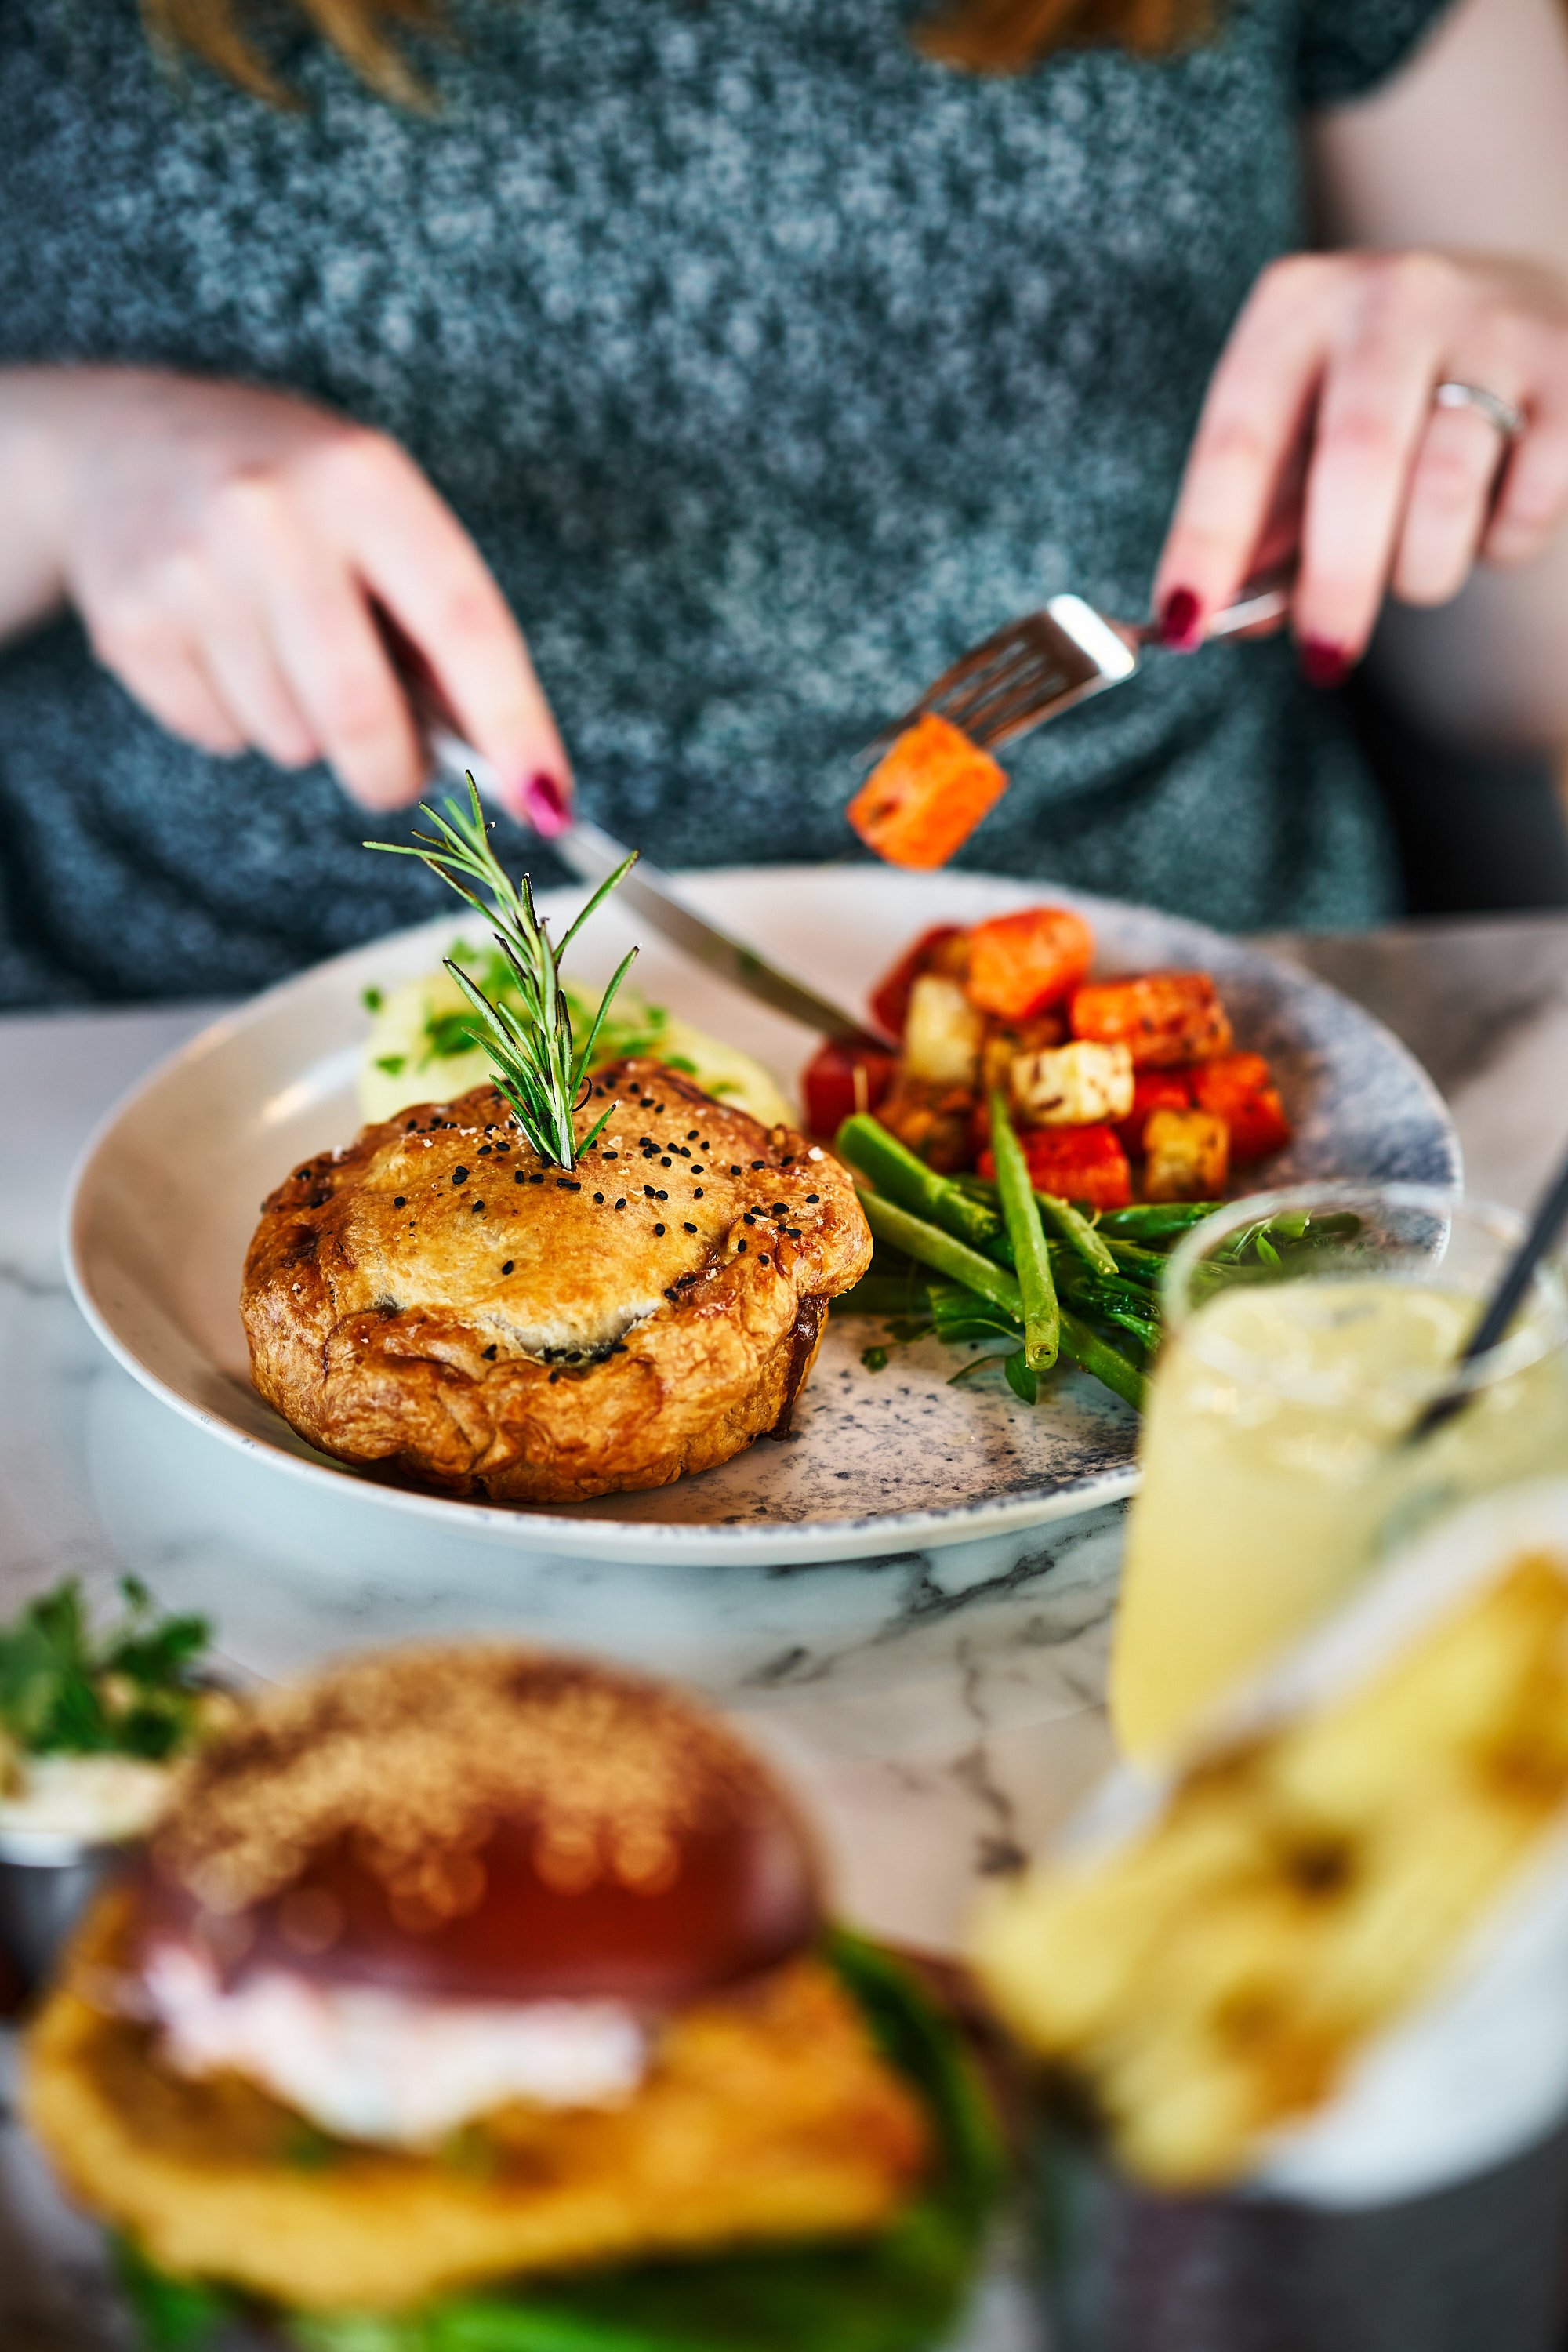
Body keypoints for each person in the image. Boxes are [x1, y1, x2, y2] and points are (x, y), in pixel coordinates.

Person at [2, 0, 1567, 1004]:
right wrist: (72, 469)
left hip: (1208, 1009)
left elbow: (1521, 679)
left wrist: (1509, 412)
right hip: (186, 1061)